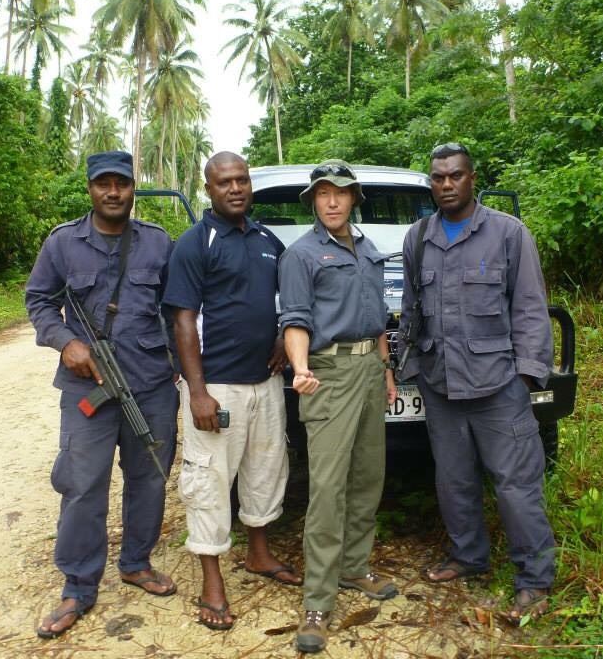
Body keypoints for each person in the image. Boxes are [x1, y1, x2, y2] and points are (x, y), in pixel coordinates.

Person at [398, 142, 555, 620]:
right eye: (438, 177)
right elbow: (411, 310)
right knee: (454, 481)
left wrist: (527, 377)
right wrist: (405, 369)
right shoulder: (418, 236)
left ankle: (534, 578)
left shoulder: (508, 233)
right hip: (440, 384)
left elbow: (530, 308)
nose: (446, 184)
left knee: (515, 484)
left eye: (455, 176)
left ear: (472, 179)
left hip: (497, 386)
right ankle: (469, 557)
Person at [26, 150, 179, 640]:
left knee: (150, 478)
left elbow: (178, 309)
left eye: (123, 184)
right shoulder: (64, 243)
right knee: (83, 484)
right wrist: (66, 342)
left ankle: (136, 561)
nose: (113, 192)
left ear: (135, 187)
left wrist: (179, 368)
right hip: (87, 387)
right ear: (90, 189)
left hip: (151, 384)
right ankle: (77, 584)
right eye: (103, 184)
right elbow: (39, 299)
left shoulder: (157, 243)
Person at [162, 151, 302, 632]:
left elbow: (288, 301)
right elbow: (183, 321)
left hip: (265, 384)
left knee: (265, 470)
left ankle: (259, 554)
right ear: (209, 189)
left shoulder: (268, 241)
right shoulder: (194, 243)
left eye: (242, 179)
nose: (236, 188)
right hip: (217, 387)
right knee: (209, 482)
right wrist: (197, 392)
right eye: (225, 182)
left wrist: (285, 336)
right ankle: (212, 581)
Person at [278, 160, 398, 654]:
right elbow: (296, 318)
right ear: (314, 201)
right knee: (327, 489)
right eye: (323, 193)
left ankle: (354, 567)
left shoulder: (368, 249)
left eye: (340, 193)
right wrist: (301, 369)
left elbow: (377, 319)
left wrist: (387, 369)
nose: (331, 201)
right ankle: (317, 601)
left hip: (370, 371)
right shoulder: (301, 255)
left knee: (368, 477)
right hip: (327, 375)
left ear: (354, 200)